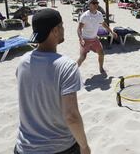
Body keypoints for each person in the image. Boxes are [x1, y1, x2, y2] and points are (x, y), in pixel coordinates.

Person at [14, 8, 91, 154]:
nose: (63, 29)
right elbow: (71, 116)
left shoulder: (23, 62)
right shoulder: (67, 66)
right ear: (55, 31)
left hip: (23, 147)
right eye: (61, 25)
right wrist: (84, 146)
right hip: (59, 147)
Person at [77, 0, 117, 72]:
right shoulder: (85, 16)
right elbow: (79, 29)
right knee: (83, 57)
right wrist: (81, 38)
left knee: (101, 53)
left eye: (97, 3)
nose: (96, 4)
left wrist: (111, 32)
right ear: (89, 5)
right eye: (94, 3)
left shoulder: (99, 14)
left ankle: (101, 68)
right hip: (85, 40)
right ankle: (74, 70)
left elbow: (103, 24)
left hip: (95, 39)